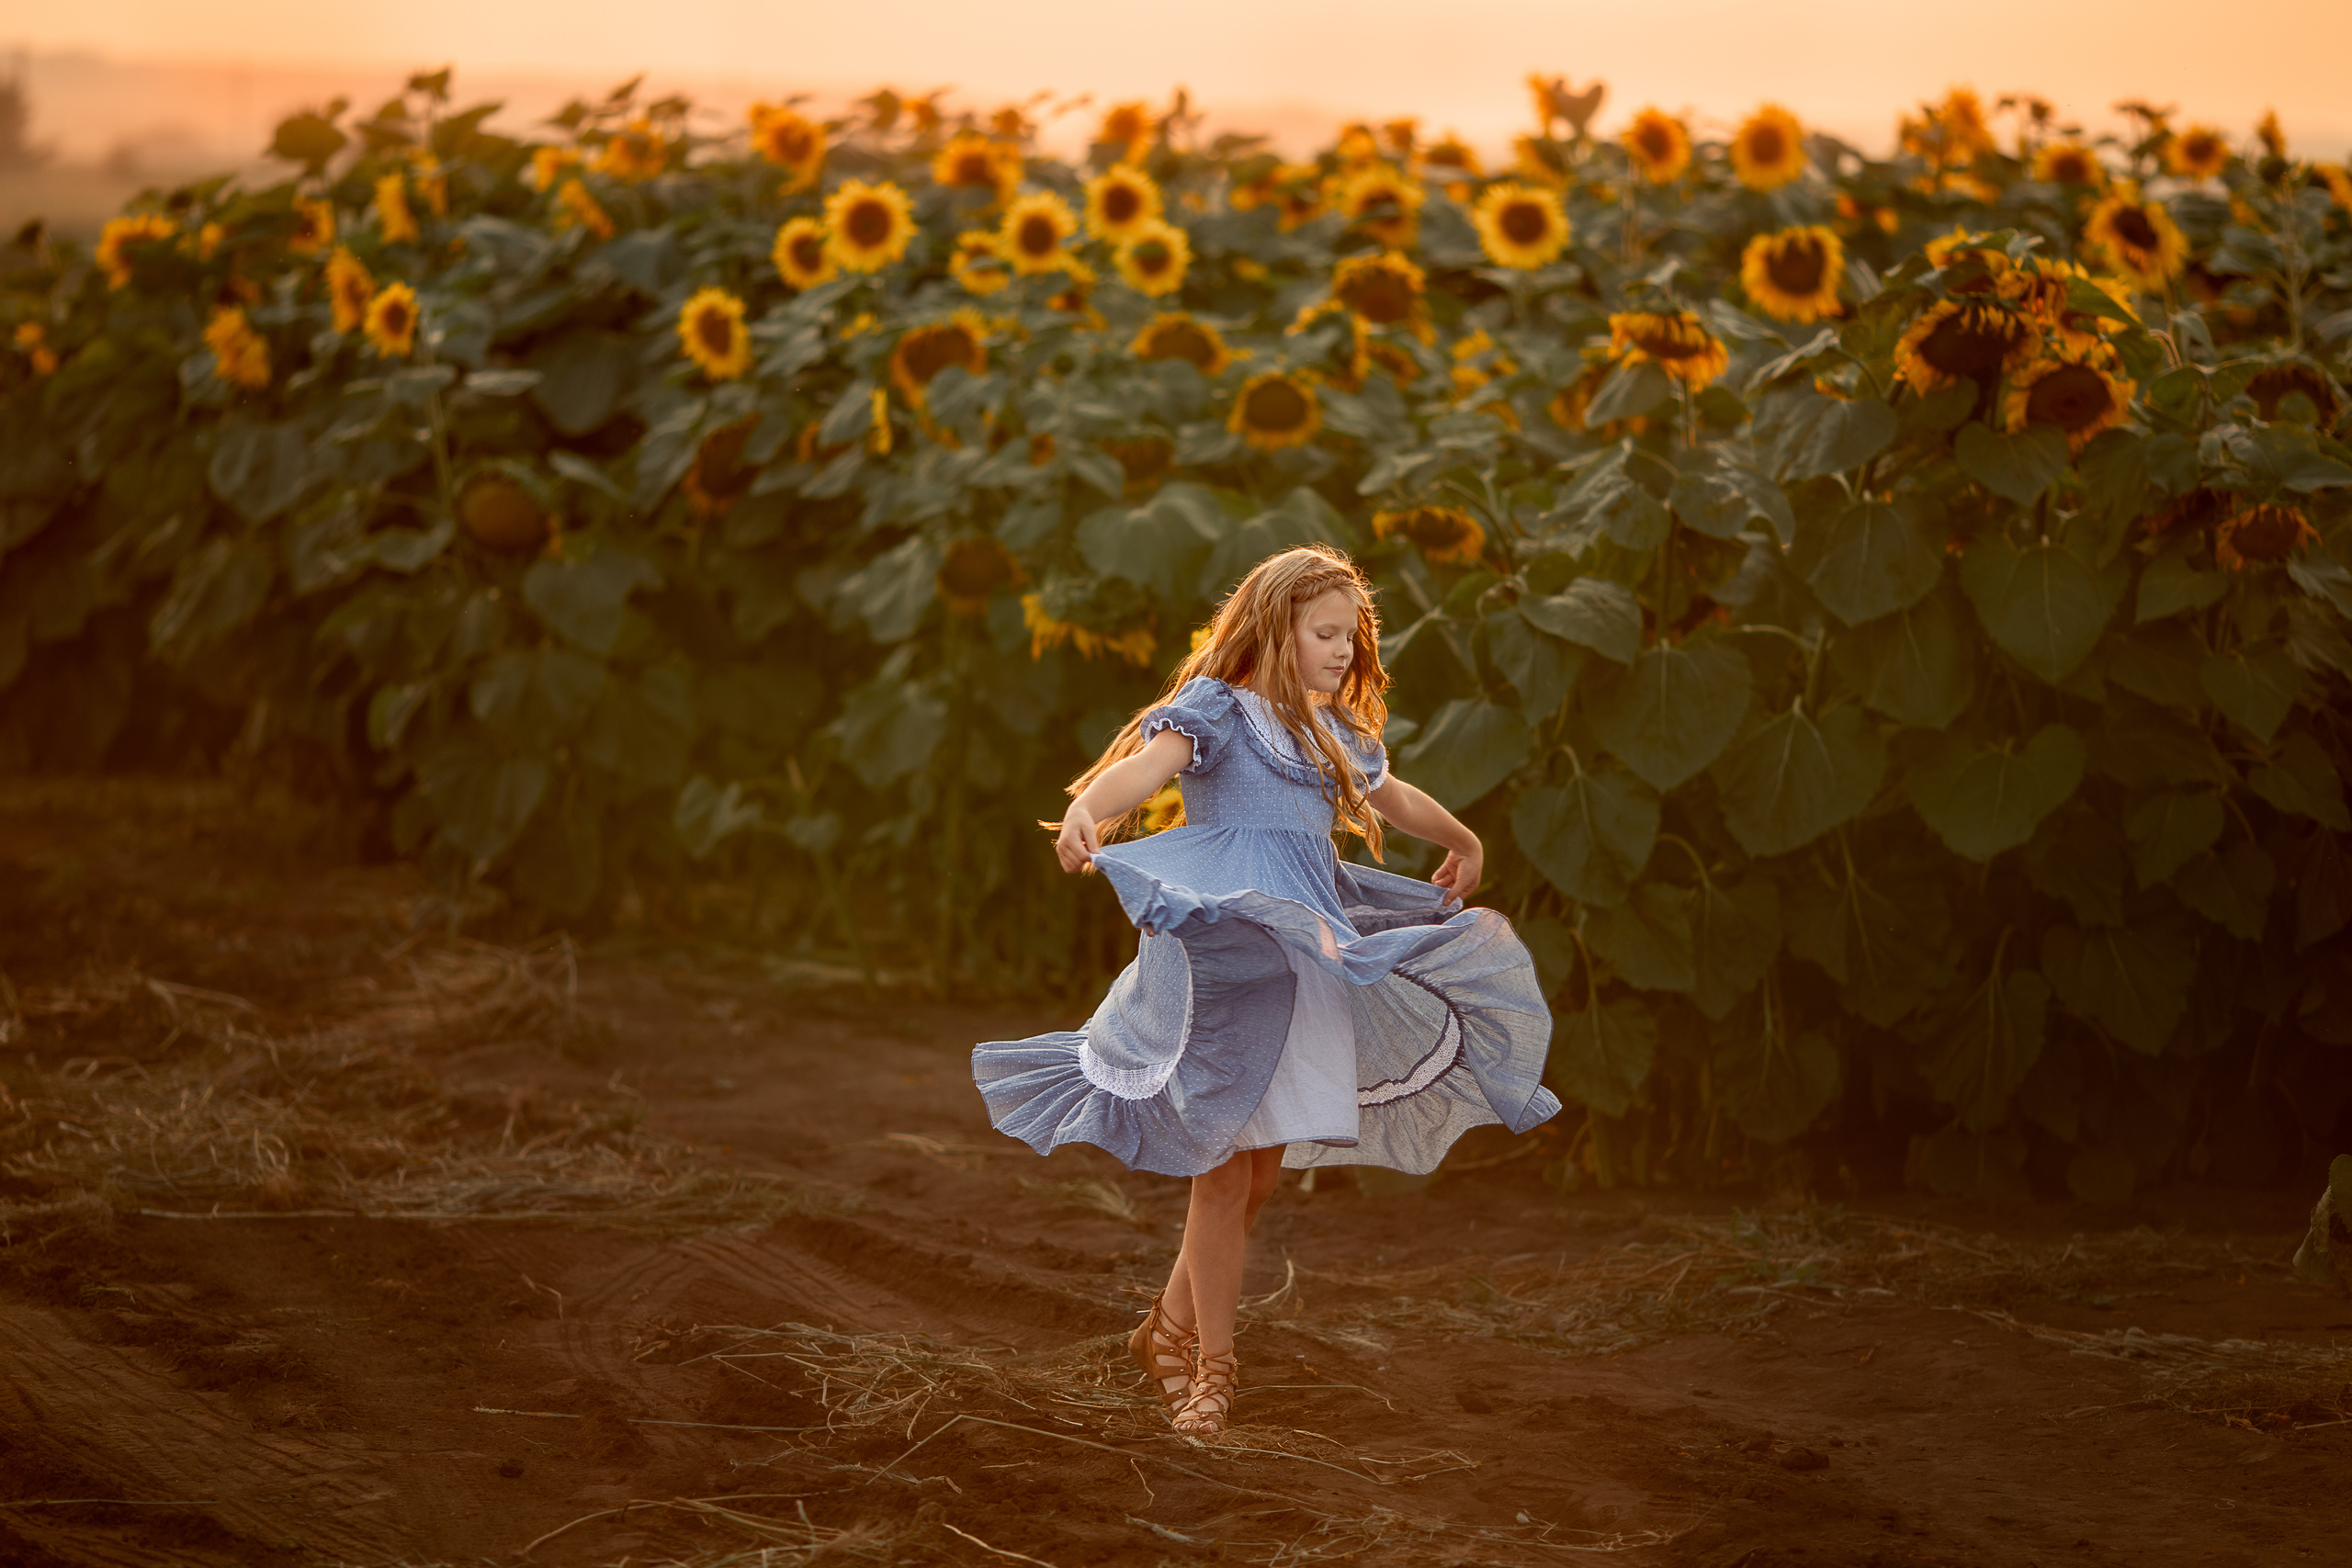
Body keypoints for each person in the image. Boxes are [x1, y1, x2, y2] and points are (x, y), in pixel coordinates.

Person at [971, 544, 1557, 1436]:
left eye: (1351, 637)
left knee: (1257, 1179)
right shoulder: (1217, 709)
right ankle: (1210, 1369)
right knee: (1221, 1169)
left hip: (1304, 958)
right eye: (1324, 633)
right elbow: (1146, 768)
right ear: (1276, 630)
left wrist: (1465, 839)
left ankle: (1164, 1330)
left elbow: (1393, 795)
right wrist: (1091, 807)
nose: (1342, 651)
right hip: (1223, 955)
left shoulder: (1333, 731)